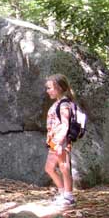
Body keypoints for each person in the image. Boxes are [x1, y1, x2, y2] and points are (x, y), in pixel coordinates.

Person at [45, 74, 76, 207]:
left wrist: (59, 142)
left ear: (59, 88)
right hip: (54, 140)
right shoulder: (57, 103)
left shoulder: (64, 104)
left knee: (64, 166)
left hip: (60, 140)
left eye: (50, 88)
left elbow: (65, 125)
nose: (48, 91)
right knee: (49, 168)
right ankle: (62, 192)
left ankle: (68, 196)